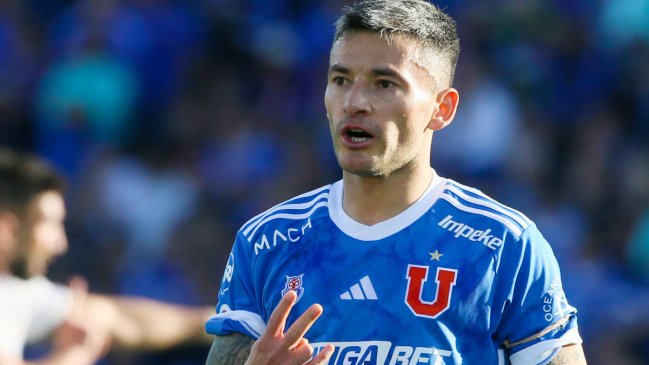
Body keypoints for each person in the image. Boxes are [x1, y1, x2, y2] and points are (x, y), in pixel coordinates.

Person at [204, 1, 587, 364]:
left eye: (384, 84)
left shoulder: (503, 245)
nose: (354, 102)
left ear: (442, 108)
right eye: (340, 79)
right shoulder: (266, 241)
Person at [0, 148, 214, 365]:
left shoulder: (17, 290)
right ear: (6, 228)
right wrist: (75, 354)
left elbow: (117, 318)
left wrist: (211, 322)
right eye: (50, 224)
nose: (60, 245)